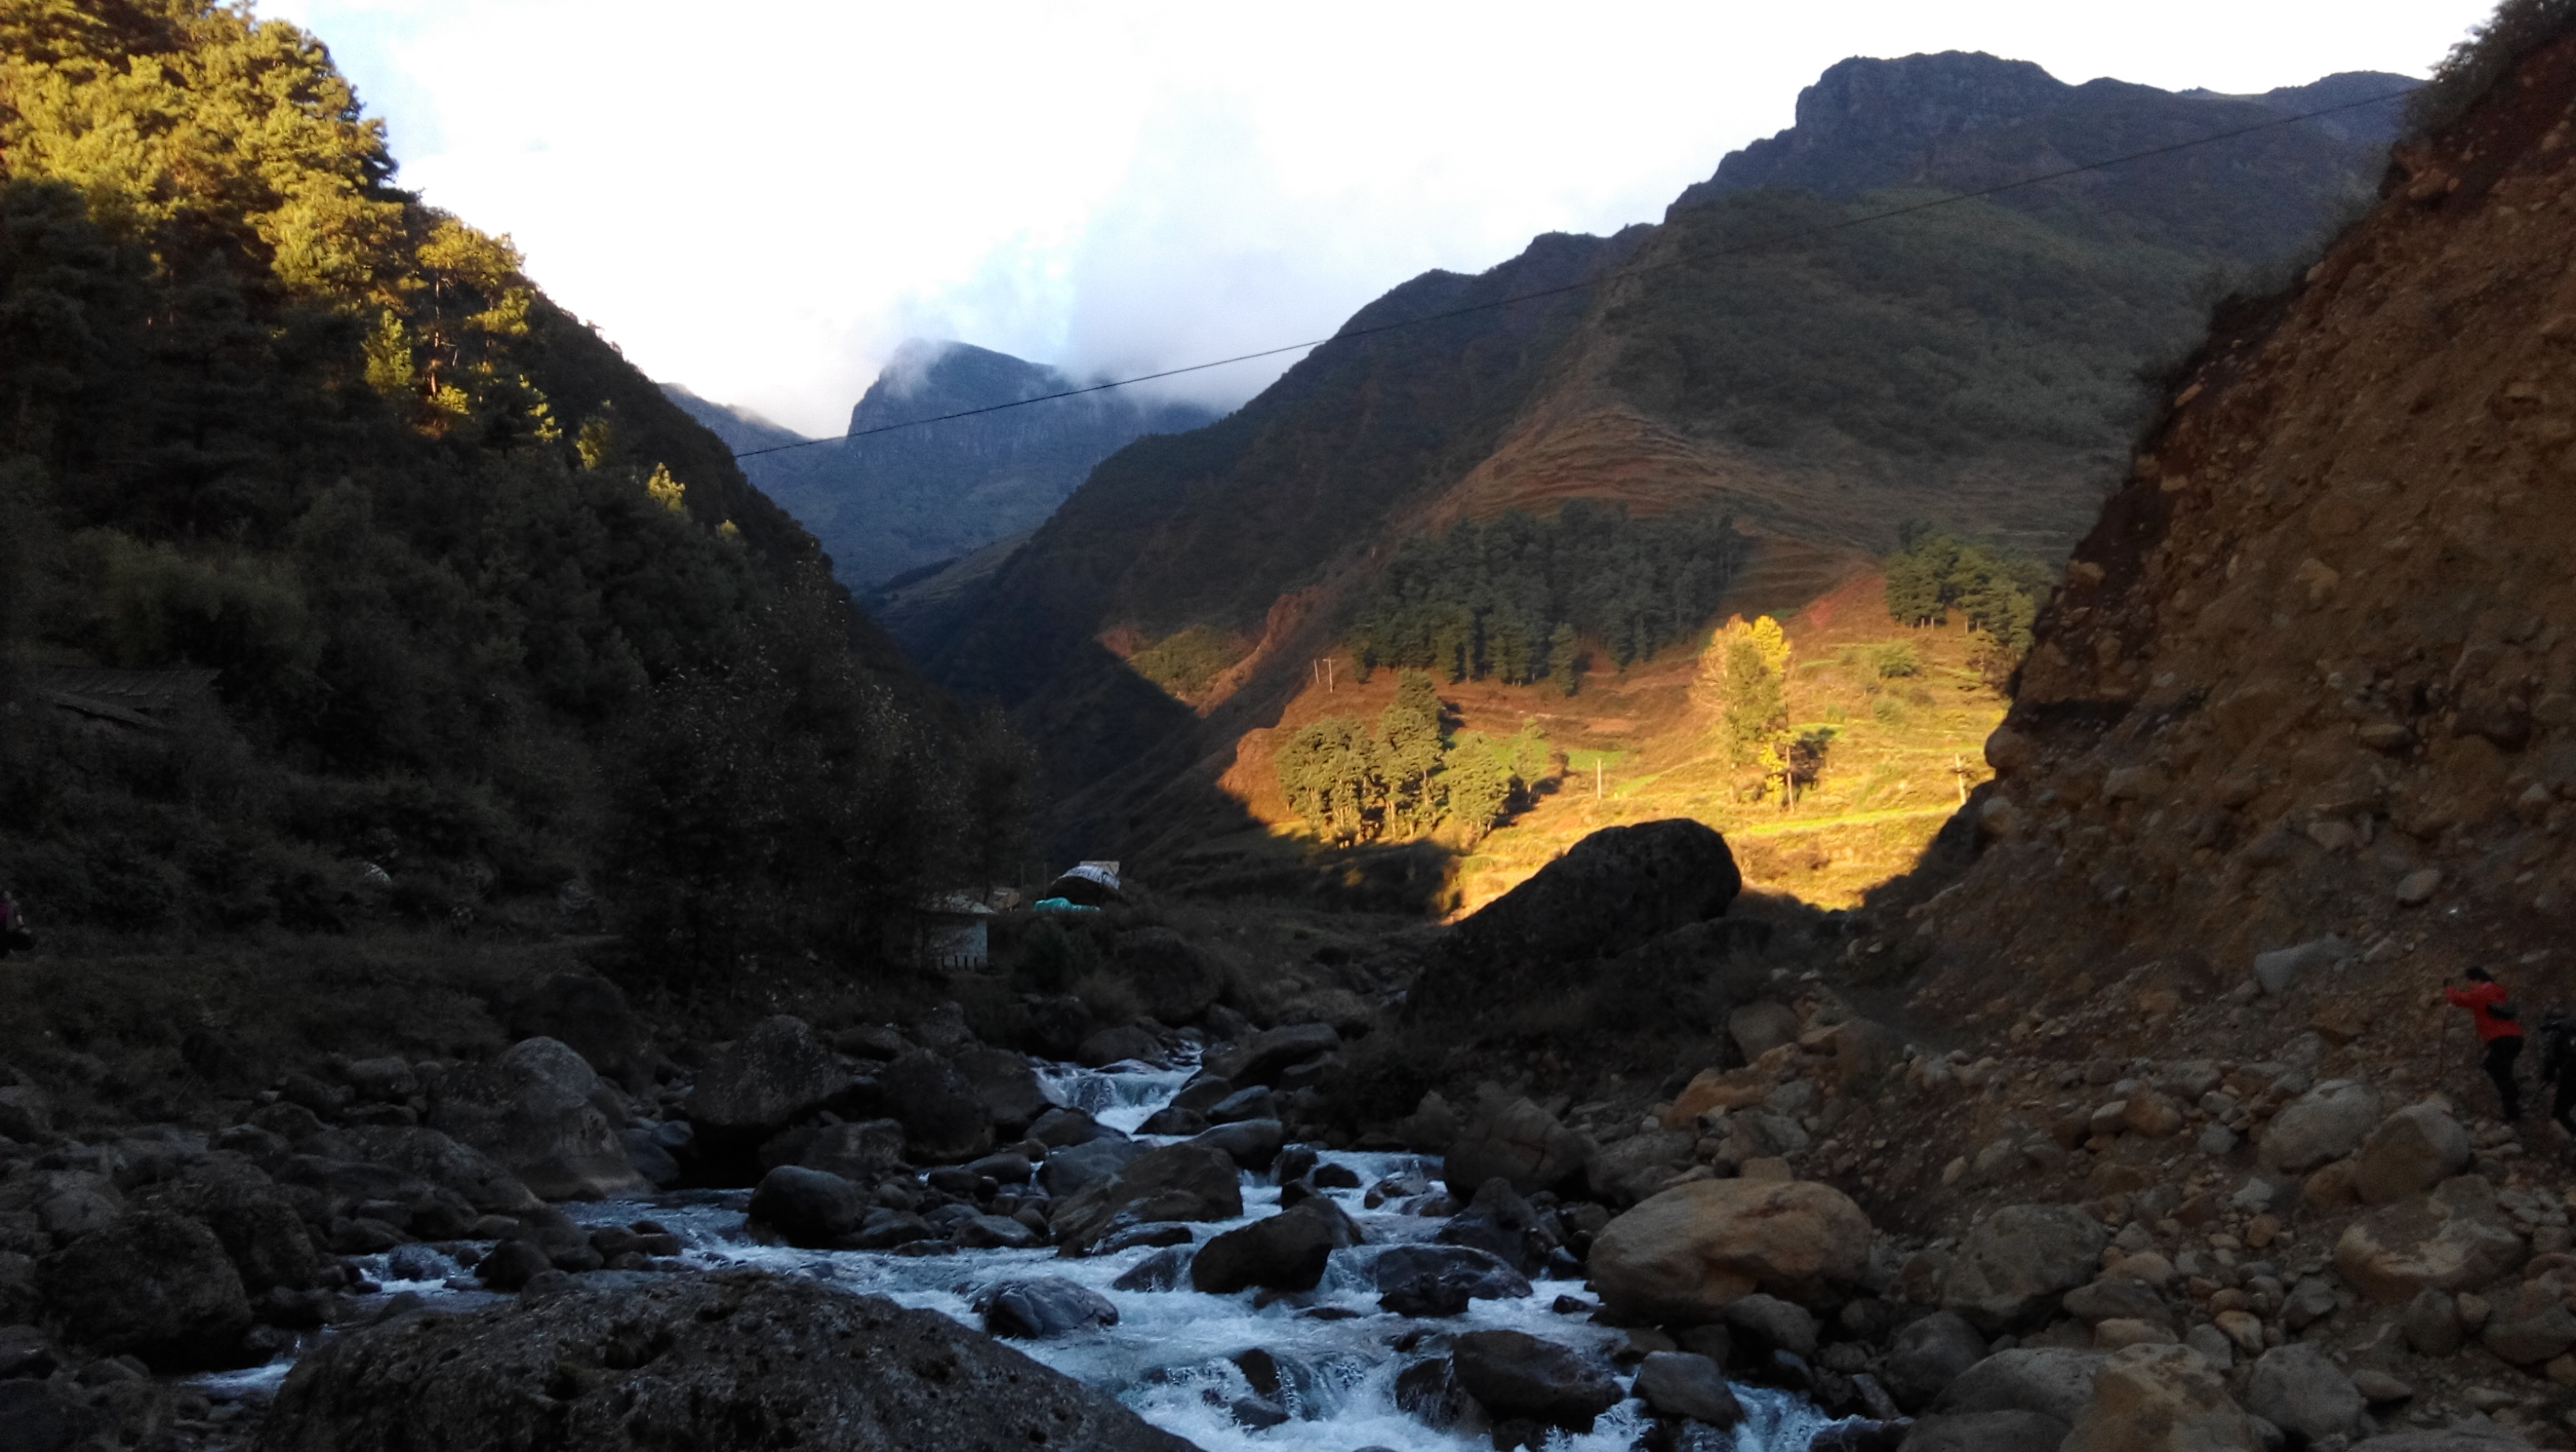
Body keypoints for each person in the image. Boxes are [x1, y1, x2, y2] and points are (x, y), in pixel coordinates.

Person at [2446, 967, 2524, 1121]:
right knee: (2503, 1069)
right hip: (2515, 1038)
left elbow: (2457, 999)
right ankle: (2513, 1102)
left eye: (2469, 982)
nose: (2469, 985)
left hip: (2500, 1039)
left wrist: (2449, 987)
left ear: (2476, 980)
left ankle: (2512, 1108)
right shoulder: (2498, 991)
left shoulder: (2481, 993)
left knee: (2493, 1067)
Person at [2541, 1009, 2576, 1139]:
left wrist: (2548, 1076)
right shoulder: (2571, 1026)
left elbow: (2550, 1057)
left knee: (2560, 1113)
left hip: (2571, 1072)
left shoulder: (2555, 1030)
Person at [0, 891, 28, 959]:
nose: (5, 896)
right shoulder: (1, 904)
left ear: (10, 895)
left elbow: (18, 914)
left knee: (7, 942)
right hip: (1, 927)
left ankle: (9, 956)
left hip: (10, 926)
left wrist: (20, 922)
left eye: (7, 895)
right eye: (4, 895)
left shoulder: (14, 904)